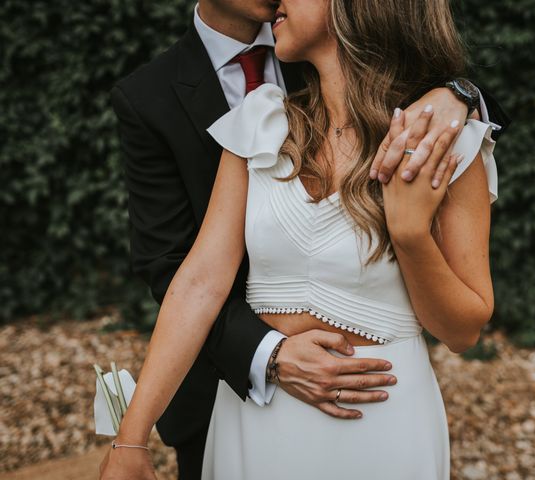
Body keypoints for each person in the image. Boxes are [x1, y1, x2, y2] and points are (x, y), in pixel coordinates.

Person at [104, 0, 509, 478]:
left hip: (381, 423)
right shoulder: (260, 121)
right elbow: (196, 281)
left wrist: (409, 233)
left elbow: (463, 331)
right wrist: (131, 439)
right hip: (254, 415)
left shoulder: (444, 139)